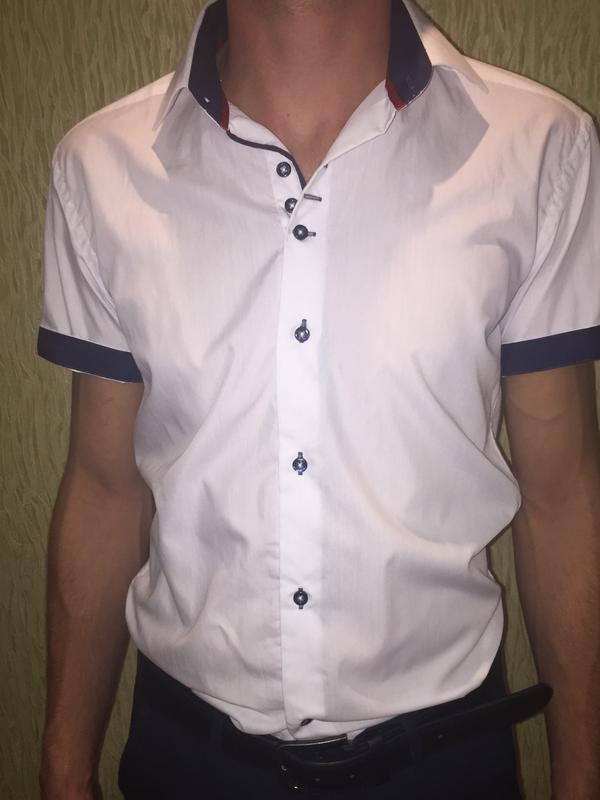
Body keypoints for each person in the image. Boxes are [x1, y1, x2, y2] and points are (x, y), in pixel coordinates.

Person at [37, 0, 600, 798]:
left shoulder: (540, 148)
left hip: (444, 766)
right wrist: (64, 767)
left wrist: (582, 773)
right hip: (187, 760)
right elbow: (103, 487)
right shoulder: (101, 165)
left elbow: (562, 495)